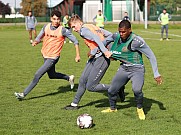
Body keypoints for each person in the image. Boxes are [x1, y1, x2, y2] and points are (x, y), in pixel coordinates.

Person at [101, 20, 163, 120]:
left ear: (130, 30)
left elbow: (151, 56)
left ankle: (139, 108)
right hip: (124, 68)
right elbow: (103, 42)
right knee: (111, 90)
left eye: (124, 32)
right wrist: (94, 50)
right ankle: (113, 108)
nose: (121, 34)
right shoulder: (116, 36)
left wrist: (156, 73)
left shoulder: (137, 41)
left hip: (137, 69)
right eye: (120, 31)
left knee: (137, 90)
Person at [14, 10, 80, 100]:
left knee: (37, 74)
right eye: (54, 19)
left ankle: (23, 94)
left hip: (53, 57)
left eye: (58, 19)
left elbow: (76, 41)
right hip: (45, 54)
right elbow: (40, 36)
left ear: (60, 20)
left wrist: (77, 55)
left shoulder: (63, 30)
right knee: (52, 75)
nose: (56, 21)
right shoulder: (46, 26)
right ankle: (69, 78)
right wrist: (36, 41)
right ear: (51, 19)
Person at [64, 14, 122, 110]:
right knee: (82, 80)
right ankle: (74, 104)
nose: (74, 29)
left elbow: (96, 38)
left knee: (91, 86)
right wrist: (96, 49)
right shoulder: (91, 26)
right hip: (94, 57)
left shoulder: (83, 30)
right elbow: (110, 35)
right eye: (72, 28)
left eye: (74, 26)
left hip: (101, 58)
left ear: (79, 22)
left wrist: (104, 50)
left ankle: (117, 88)